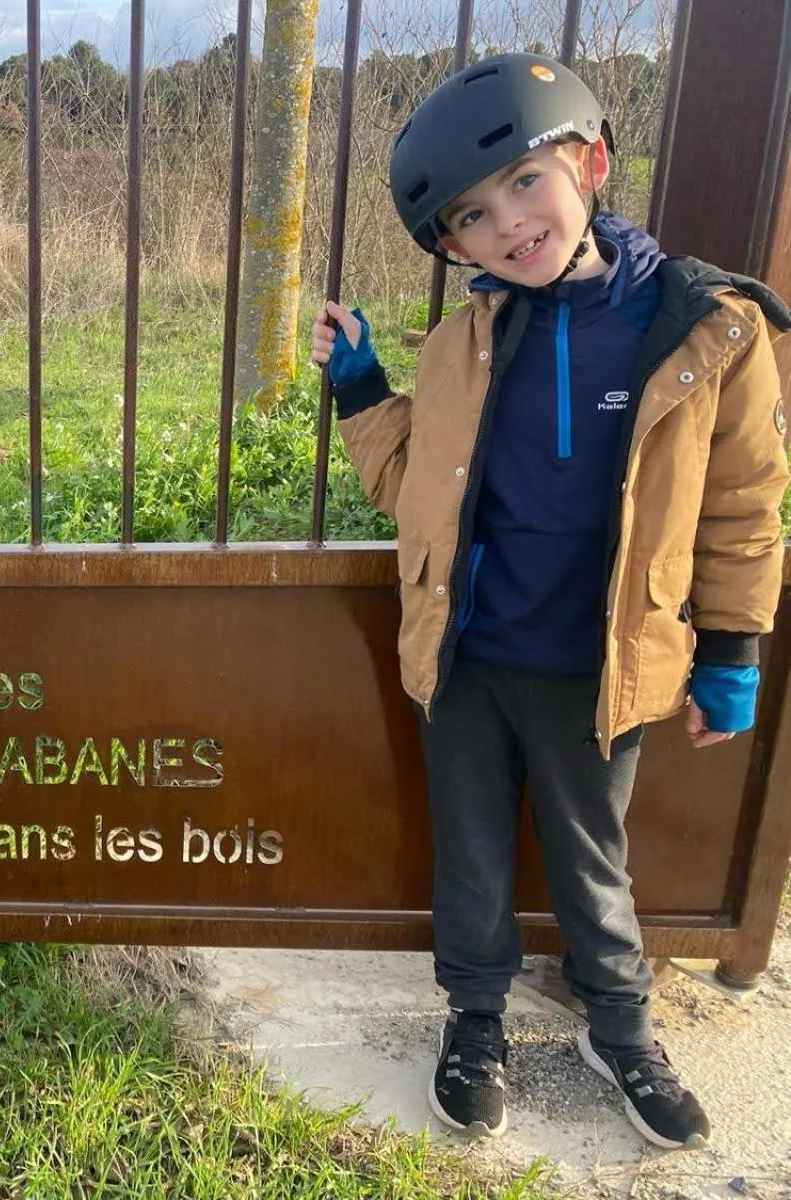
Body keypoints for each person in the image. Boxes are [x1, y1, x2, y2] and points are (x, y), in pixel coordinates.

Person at [311, 53, 790, 1149]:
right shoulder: (466, 343)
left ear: (590, 164)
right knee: (470, 849)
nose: (508, 225)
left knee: (589, 851)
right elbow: (409, 489)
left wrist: (730, 649)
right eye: (472, 217)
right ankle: (473, 1021)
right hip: (471, 658)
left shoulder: (705, 328)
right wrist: (360, 392)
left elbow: (741, 507)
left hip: (600, 665)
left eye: (525, 183)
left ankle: (617, 1029)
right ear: (454, 248)